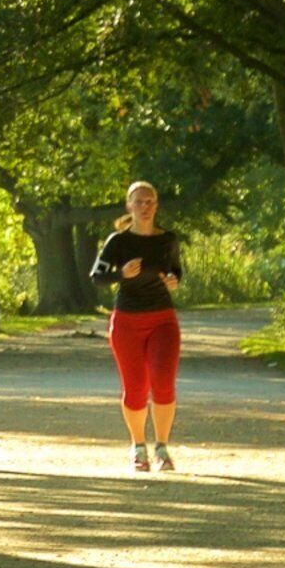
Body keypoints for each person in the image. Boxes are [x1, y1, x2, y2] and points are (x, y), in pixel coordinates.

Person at [90, 180, 183, 470]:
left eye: (150, 201)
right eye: (139, 202)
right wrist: (122, 274)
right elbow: (97, 276)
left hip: (162, 321)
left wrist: (174, 280)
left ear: (156, 205)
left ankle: (163, 448)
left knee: (163, 382)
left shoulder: (168, 239)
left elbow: (177, 270)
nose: (145, 207)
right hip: (127, 322)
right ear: (129, 206)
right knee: (136, 388)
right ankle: (138, 446)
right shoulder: (117, 242)